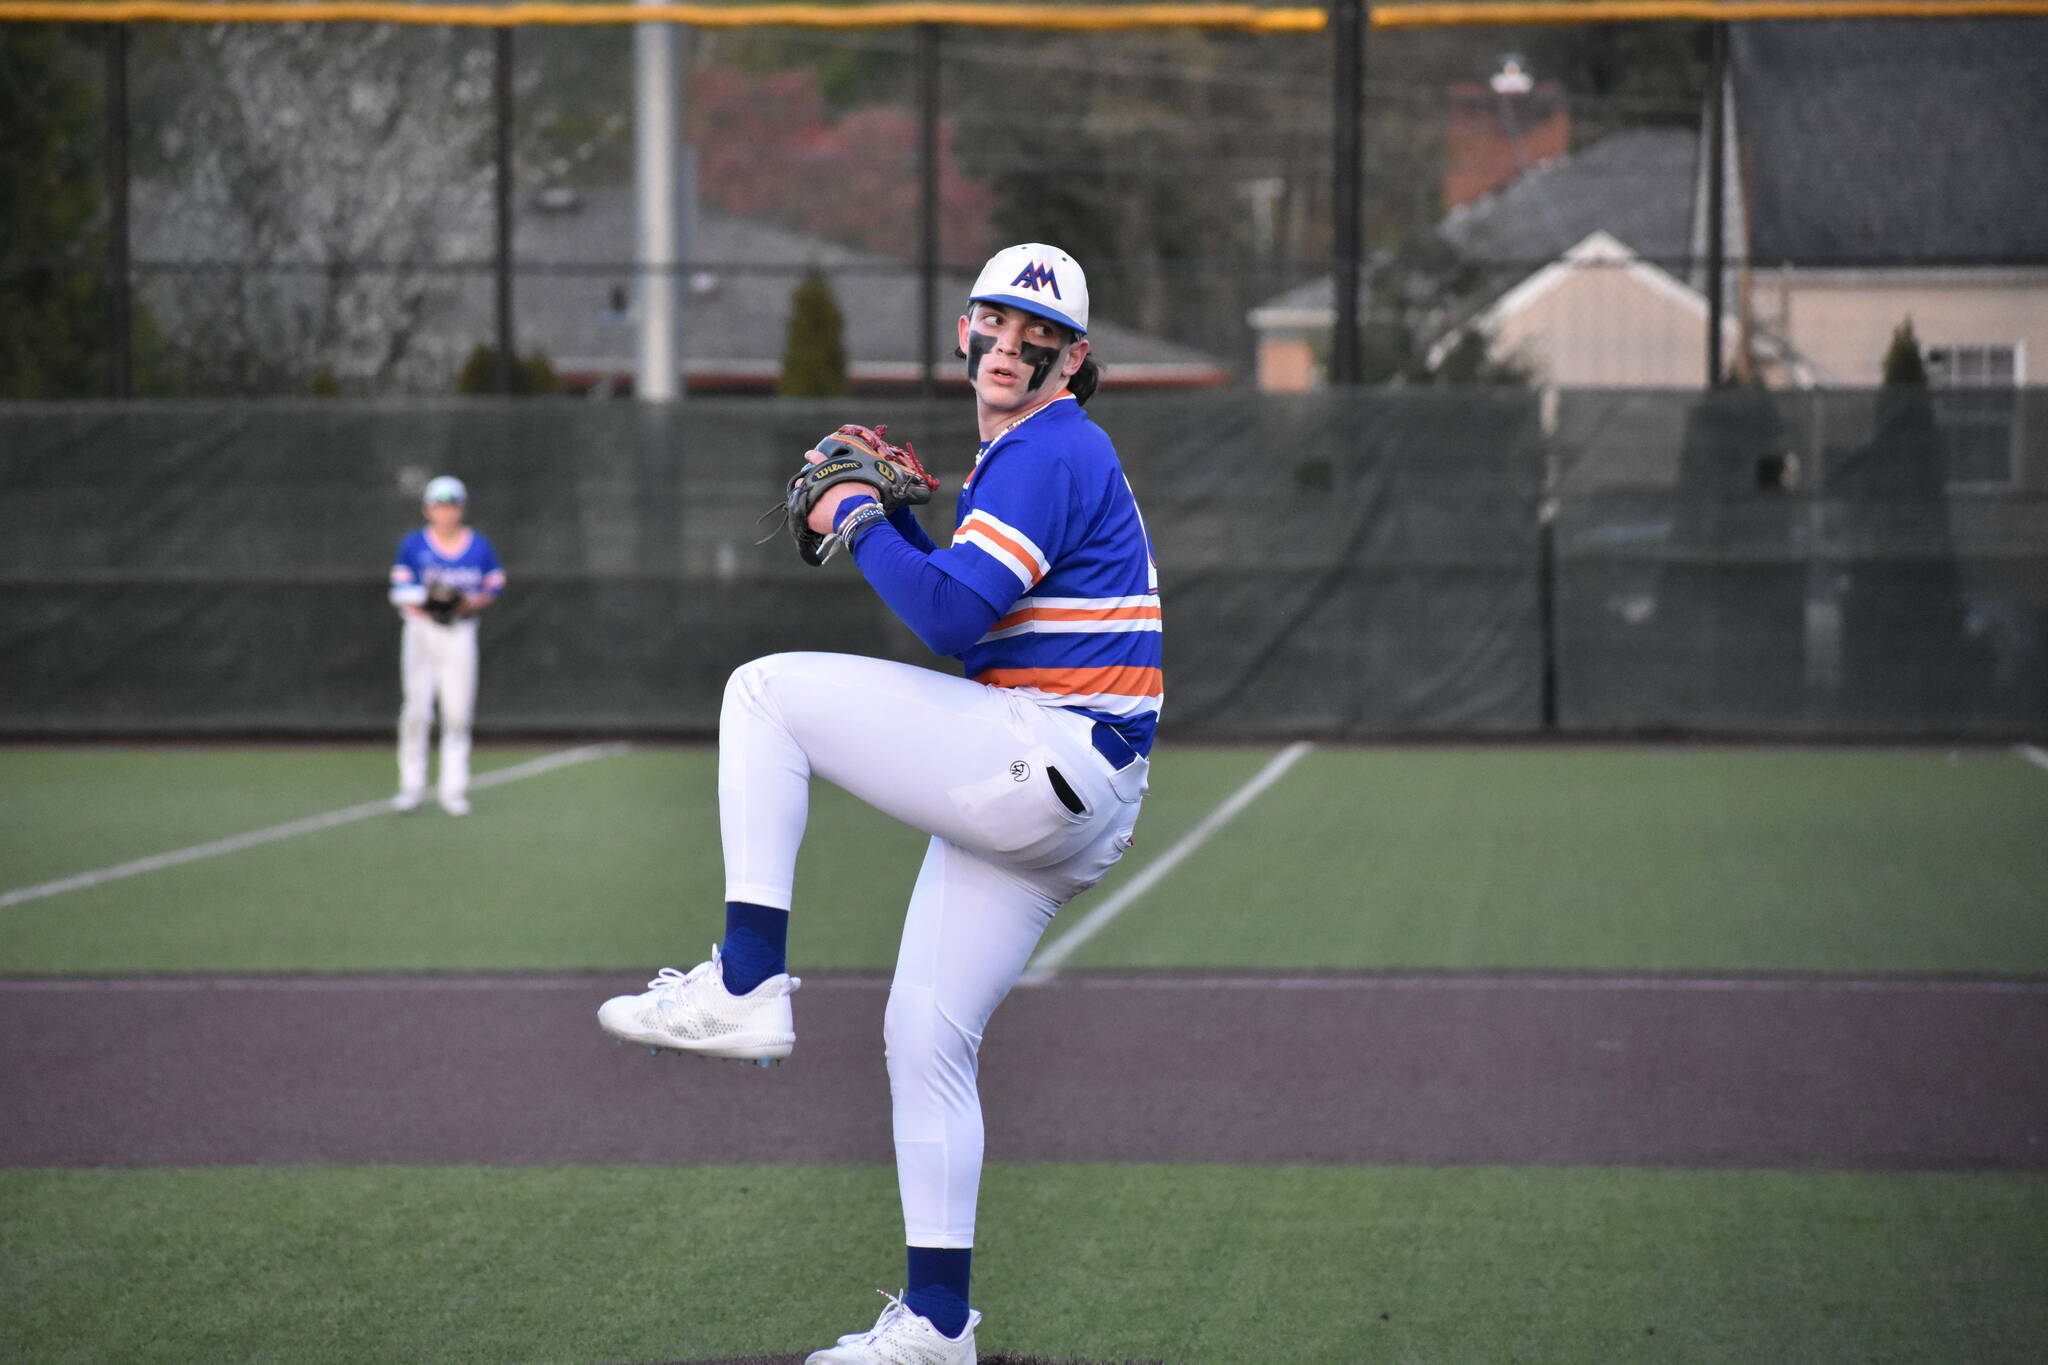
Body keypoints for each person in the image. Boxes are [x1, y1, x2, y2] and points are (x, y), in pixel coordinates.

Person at [597, 243, 1161, 1365]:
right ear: (964, 332)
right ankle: (937, 1328)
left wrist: (859, 516)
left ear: (1074, 357)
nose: (1010, 344)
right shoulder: (1027, 455)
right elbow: (962, 603)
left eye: (1035, 334)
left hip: (1048, 756)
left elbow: (952, 623)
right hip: (1065, 786)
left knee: (761, 695)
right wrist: (888, 529)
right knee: (923, 1041)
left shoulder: (1050, 448)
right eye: (992, 324)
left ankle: (746, 979)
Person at [387, 475, 504, 816]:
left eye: (452, 506)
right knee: (416, 710)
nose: (446, 512)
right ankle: (411, 786)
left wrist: (463, 603)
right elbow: (399, 590)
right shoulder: (413, 545)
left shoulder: (479, 546)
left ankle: (452, 789)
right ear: (428, 510)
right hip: (421, 632)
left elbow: (492, 586)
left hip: (459, 633)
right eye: (439, 506)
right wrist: (433, 601)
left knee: (456, 713)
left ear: (461, 509)